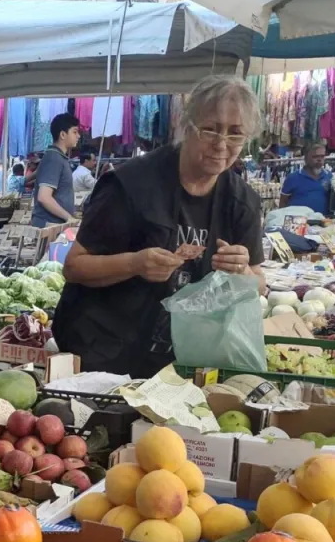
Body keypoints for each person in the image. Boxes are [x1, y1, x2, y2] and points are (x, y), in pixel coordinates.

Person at [56, 75, 266, 378]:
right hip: (103, 353)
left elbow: (259, 283)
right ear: (186, 124)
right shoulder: (130, 185)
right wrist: (135, 263)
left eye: (235, 134)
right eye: (210, 129)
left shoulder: (242, 202)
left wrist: (243, 271)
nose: (222, 144)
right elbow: (74, 266)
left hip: (181, 360)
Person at [31, 114, 81, 227]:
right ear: (63, 134)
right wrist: (69, 218)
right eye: (74, 132)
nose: (78, 136)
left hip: (54, 224)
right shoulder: (54, 159)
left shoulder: (57, 157)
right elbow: (44, 197)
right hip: (49, 225)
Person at [278, 140, 331, 215]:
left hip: (323, 222)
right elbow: (283, 202)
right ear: (306, 158)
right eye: (315, 156)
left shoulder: (329, 176)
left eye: (322, 156)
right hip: (298, 223)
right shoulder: (293, 178)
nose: (319, 160)